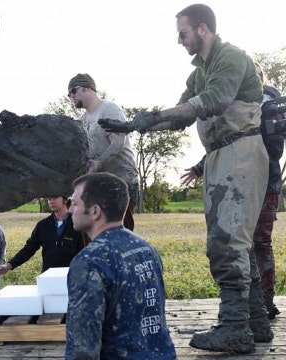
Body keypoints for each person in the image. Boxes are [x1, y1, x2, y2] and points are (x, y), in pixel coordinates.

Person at [99, 4, 272, 353]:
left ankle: (235, 328)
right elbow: (181, 117)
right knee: (234, 240)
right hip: (219, 155)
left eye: (183, 33)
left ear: (203, 29)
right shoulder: (198, 73)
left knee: (227, 242)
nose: (179, 41)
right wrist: (136, 125)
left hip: (241, 151)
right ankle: (255, 320)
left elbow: (214, 101)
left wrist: (152, 116)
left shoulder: (232, 58)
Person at [181, 61, 285, 320]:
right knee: (245, 244)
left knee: (258, 243)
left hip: (263, 182)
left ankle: (265, 302)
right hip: (247, 180)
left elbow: (266, 149)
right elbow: (227, 141)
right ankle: (255, 305)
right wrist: (199, 167)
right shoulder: (239, 104)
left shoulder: (265, 105)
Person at [66, 172, 176, 359]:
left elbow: (82, 349)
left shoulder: (90, 262)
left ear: (95, 211)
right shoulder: (145, 247)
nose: (70, 210)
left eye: (75, 204)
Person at [67, 73, 139, 231]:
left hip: (121, 181)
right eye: (69, 93)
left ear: (87, 88)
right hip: (98, 184)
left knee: (118, 238)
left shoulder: (109, 109)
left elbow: (118, 143)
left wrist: (97, 164)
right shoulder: (83, 120)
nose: (70, 96)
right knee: (94, 238)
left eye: (73, 90)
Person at [0, 196, 85, 277]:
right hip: (48, 278)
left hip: (74, 278)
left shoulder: (80, 224)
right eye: (49, 198)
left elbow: (86, 253)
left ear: (65, 199)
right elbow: (29, 249)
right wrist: (9, 265)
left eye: (55, 197)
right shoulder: (43, 225)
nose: (51, 201)